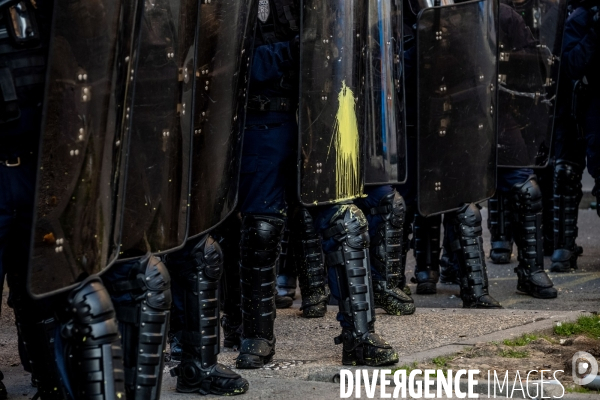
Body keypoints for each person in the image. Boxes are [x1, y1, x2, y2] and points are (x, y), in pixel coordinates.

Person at [231, 0, 399, 369]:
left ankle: (360, 335)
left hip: (321, 113)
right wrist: (296, 50)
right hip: (265, 117)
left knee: (346, 223)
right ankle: (256, 336)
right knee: (261, 229)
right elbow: (234, 59)